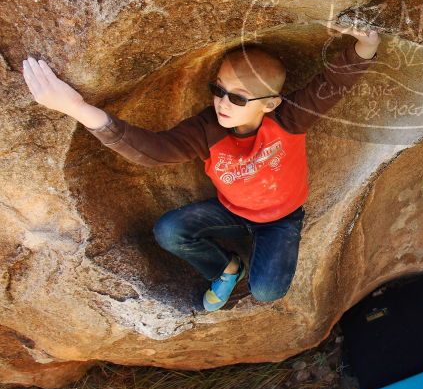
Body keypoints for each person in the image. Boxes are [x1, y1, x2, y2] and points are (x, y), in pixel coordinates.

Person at [22, 21, 380, 311]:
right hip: (231, 211)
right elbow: (155, 151)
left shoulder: (288, 119)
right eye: (218, 89)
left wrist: (366, 44)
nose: (223, 103)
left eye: (238, 98)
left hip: (281, 219)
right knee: (169, 231)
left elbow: (332, 84)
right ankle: (227, 266)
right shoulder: (207, 128)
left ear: (269, 104)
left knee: (268, 292)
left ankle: (258, 253)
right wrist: (79, 109)